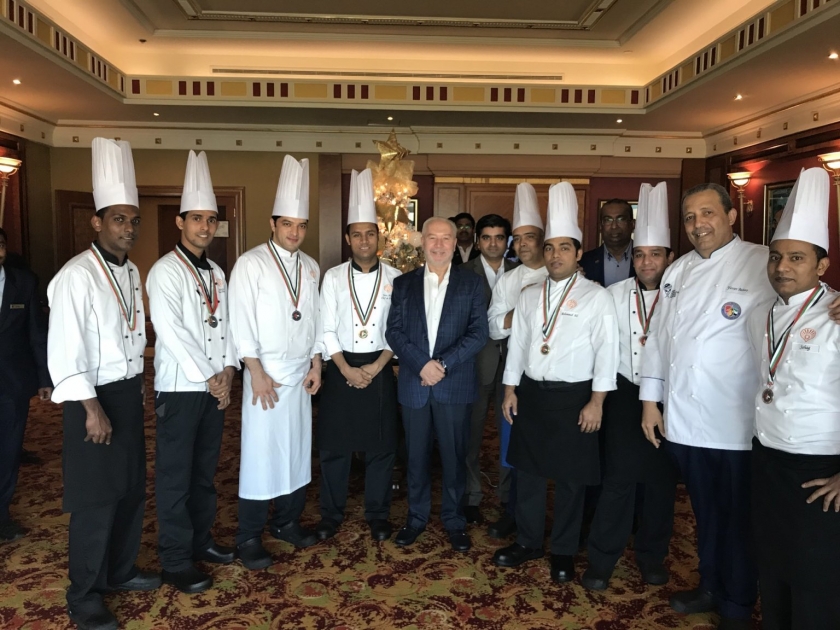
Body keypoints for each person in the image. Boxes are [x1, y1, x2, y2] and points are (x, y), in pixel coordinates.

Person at [639, 182, 771, 630]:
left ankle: (738, 602)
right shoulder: (677, 271)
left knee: (738, 518)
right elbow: (659, 341)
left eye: (708, 213)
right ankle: (711, 584)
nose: (698, 224)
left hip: (735, 422)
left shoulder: (762, 261)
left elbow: (805, 300)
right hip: (684, 420)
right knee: (705, 513)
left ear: (731, 216)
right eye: (690, 217)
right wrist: (650, 402)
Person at [48, 138, 160, 630]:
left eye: (134, 220)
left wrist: (137, 384)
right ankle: (85, 594)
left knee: (130, 488)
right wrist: (92, 408)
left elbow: (130, 334)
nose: (128, 228)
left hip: (127, 391)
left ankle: (120, 570)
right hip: (91, 398)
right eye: (119, 219)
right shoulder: (77, 275)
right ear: (97, 222)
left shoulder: (130, 271)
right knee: (96, 498)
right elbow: (65, 351)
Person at [494, 181, 618, 583]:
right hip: (532, 393)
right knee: (528, 473)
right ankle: (528, 541)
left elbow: (607, 353)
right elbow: (518, 345)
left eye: (564, 247)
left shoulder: (597, 297)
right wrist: (510, 389)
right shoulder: (530, 295)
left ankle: (563, 550)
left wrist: (597, 402)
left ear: (579, 253)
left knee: (571, 479)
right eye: (549, 248)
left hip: (575, 397)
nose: (555, 255)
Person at [747, 167, 840, 630]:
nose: (782, 267)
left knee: (816, 579)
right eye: (776, 256)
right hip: (767, 459)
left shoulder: (836, 316)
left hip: (819, 470)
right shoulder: (760, 314)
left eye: (797, 258)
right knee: (773, 565)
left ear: (821, 265)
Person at [146, 151, 237, 594]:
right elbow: (171, 330)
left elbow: (230, 325)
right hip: (182, 388)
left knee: (204, 473)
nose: (205, 226)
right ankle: (176, 559)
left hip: (215, 387)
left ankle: (202, 541)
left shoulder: (217, 271)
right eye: (197, 218)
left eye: (211, 219)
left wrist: (230, 370)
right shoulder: (165, 271)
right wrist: (212, 377)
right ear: (180, 222)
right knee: (176, 477)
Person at [228, 155, 323, 570]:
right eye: (287, 224)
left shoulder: (311, 266)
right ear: (272, 223)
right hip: (264, 375)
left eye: (301, 225)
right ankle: (248, 535)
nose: (294, 232)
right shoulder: (250, 263)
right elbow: (240, 322)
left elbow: (316, 321)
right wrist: (256, 373)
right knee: (260, 455)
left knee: (297, 451)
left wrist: (317, 365)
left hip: (301, 374)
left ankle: (286, 522)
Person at [583, 182, 677, 591]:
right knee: (617, 481)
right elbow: (603, 352)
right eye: (640, 254)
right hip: (623, 395)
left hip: (670, 399)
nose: (646, 261)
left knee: (660, 484)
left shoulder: (683, 295)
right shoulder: (612, 295)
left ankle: (652, 556)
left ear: (669, 258)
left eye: (655, 254)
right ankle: (602, 558)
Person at [385, 216, 488, 552]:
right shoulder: (404, 284)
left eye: (446, 238)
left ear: (454, 243)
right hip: (415, 384)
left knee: (455, 456)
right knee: (415, 457)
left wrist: (441, 364)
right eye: (433, 237)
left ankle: (454, 519)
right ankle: (416, 518)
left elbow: (479, 333)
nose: (439, 244)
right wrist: (422, 364)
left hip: (453, 383)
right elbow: (394, 332)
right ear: (423, 242)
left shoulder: (471, 283)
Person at [316, 169, 401, 542]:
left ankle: (378, 514)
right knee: (334, 445)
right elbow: (326, 328)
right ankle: (330, 513)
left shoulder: (396, 277)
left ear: (378, 237)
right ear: (348, 238)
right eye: (357, 234)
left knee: (381, 446)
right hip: (341, 365)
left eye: (370, 233)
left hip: (380, 365)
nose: (364, 240)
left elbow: (398, 329)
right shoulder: (334, 277)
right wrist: (346, 369)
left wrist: (378, 366)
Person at [485, 183, 548, 539]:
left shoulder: (566, 275)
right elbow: (494, 327)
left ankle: (550, 515)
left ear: (543, 240)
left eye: (530, 238)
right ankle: (512, 510)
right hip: (516, 373)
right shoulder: (509, 280)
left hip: (556, 376)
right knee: (512, 445)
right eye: (518, 239)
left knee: (548, 446)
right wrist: (522, 309)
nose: (522, 245)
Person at [460, 214, 516, 525]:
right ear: (478, 241)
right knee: (472, 433)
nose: (493, 243)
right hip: (475, 365)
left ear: (507, 241)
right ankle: (471, 495)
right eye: (486, 237)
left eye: (499, 237)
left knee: (510, 432)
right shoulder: (461, 273)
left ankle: (508, 495)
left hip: (514, 367)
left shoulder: (523, 271)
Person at [0, 226, 51, 543]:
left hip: (12, 383)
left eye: (0, 245)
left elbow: (37, 334)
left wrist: (44, 378)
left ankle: (1, 516)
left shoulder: (24, 283)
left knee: (8, 450)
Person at [579, 198, 636, 287]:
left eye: (620, 219)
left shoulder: (646, 259)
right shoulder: (584, 261)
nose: (614, 226)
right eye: (608, 220)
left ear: (632, 224)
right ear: (601, 226)